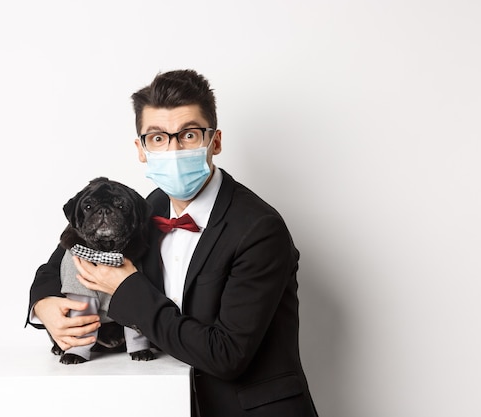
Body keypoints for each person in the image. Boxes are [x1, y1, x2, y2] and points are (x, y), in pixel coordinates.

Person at [27, 69, 318, 417]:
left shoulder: (259, 229)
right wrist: (43, 303)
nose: (174, 149)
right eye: (158, 138)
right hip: (166, 403)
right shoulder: (145, 207)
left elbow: (226, 356)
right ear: (141, 148)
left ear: (216, 141)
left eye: (189, 135)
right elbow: (65, 251)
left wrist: (126, 287)